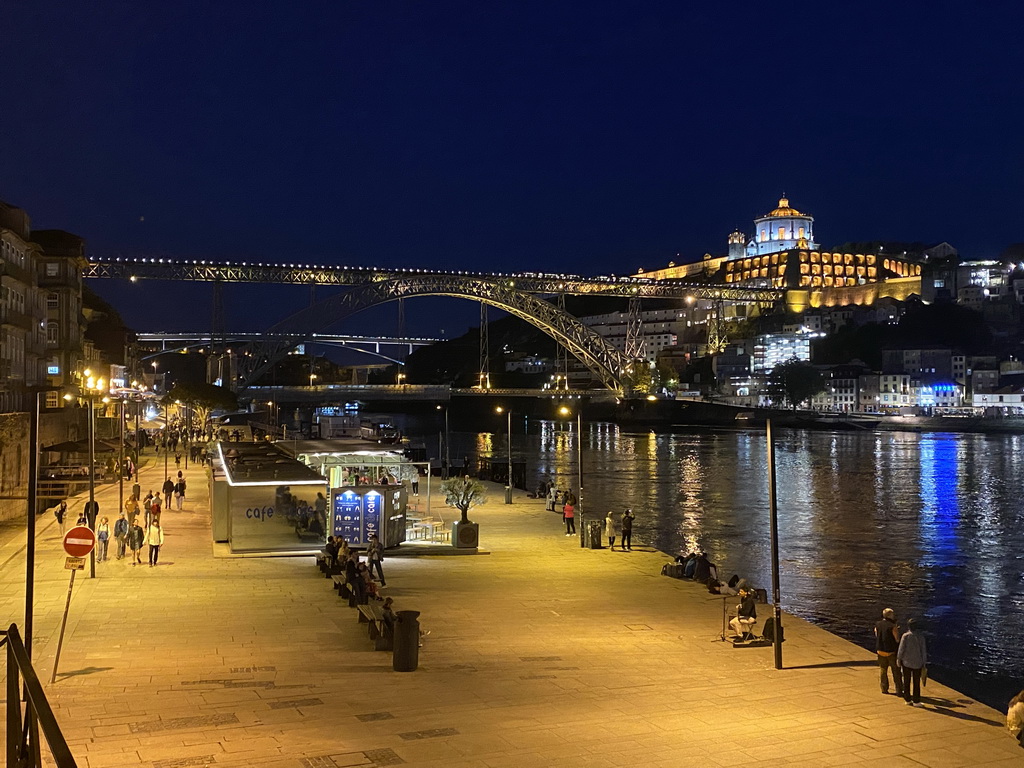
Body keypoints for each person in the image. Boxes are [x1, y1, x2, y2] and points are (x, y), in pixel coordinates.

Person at [897, 617, 928, 707]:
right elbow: (923, 651)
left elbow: (901, 649)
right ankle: (916, 700)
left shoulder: (905, 636)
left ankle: (907, 699)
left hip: (906, 662)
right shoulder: (921, 637)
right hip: (917, 662)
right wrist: (924, 663)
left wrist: (899, 659)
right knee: (916, 682)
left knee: (906, 681)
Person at [874, 608, 904, 696]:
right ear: (890, 615)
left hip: (880, 650)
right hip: (891, 651)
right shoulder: (892, 626)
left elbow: (876, 633)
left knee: (883, 669)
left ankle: (884, 688)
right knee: (896, 671)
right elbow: (897, 639)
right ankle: (899, 690)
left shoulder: (878, 624)